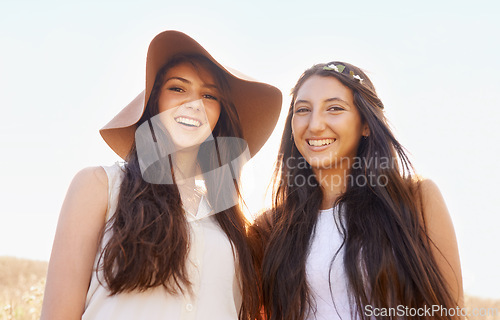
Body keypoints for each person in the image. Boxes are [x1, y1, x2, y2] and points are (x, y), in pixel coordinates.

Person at [40, 30, 282, 320]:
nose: (193, 104)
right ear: (154, 101)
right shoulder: (100, 186)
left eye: (209, 95)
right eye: (178, 89)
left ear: (220, 115)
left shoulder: (233, 224)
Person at [249, 62, 463, 320]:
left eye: (335, 108)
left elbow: (451, 311)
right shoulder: (269, 228)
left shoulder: (417, 200)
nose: (315, 124)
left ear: (366, 124)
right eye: (303, 109)